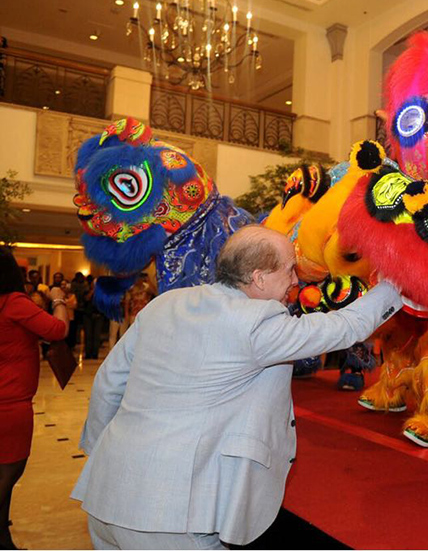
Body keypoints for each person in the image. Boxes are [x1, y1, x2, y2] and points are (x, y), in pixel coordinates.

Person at [71, 225, 402, 549]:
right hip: (171, 517)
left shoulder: (164, 304)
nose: (295, 281)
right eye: (289, 270)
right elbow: (346, 327)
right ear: (258, 277)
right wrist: (400, 282)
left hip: (106, 495)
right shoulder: (255, 321)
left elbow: (108, 383)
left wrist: (106, 451)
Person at [0, 248, 69, 550]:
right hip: (10, 401)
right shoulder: (14, 302)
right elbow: (58, 329)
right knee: (10, 470)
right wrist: (58, 299)